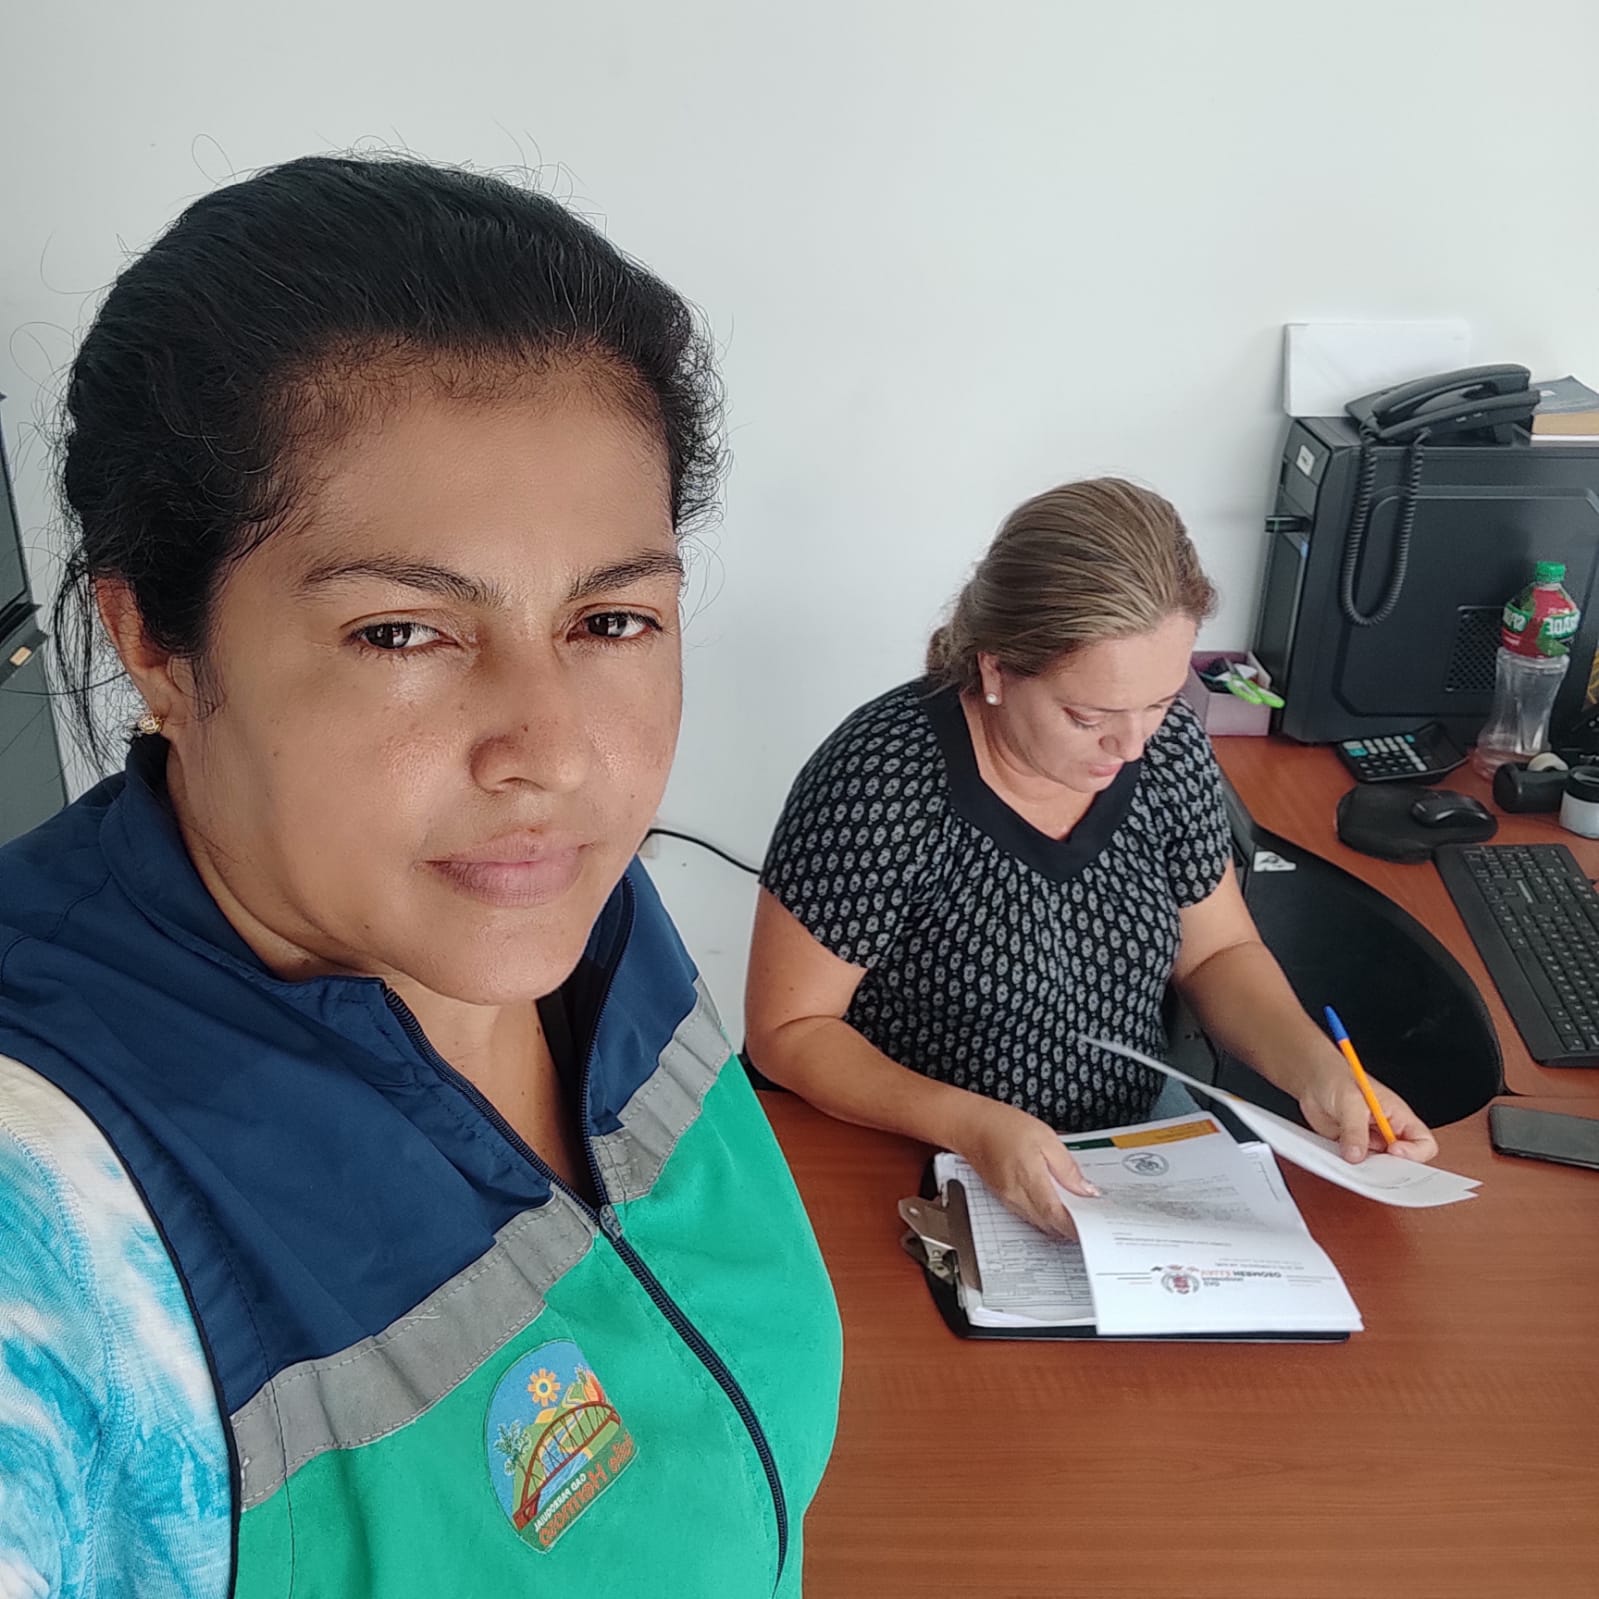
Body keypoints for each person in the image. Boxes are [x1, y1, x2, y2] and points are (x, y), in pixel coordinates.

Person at [0, 155, 840, 1599]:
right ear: (156, 646)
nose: (552, 752)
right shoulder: (51, 1218)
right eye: (403, 633)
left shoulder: (574, 915)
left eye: (611, 619)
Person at [746, 478, 1438, 1236]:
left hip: (1126, 1149)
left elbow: (1218, 953)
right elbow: (789, 1030)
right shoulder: (881, 780)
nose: (1133, 745)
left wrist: (1318, 1071)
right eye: (1087, 716)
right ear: (996, 671)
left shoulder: (1167, 752)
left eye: (1160, 702)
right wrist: (970, 1123)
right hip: (911, 1150)